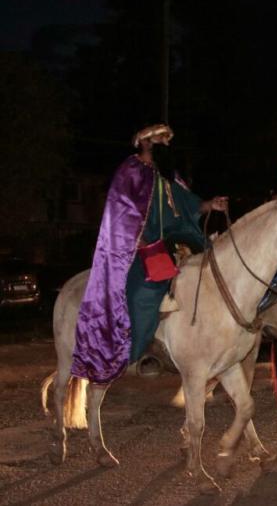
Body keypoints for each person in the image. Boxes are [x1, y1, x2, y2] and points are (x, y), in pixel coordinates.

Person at [71, 124, 228, 384]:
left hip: (181, 238)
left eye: (168, 140)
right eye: (161, 139)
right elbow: (120, 212)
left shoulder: (168, 175)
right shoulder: (130, 171)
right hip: (146, 242)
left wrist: (210, 204)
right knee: (145, 289)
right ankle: (142, 350)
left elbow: (188, 206)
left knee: (217, 270)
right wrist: (140, 240)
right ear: (145, 142)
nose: (167, 144)